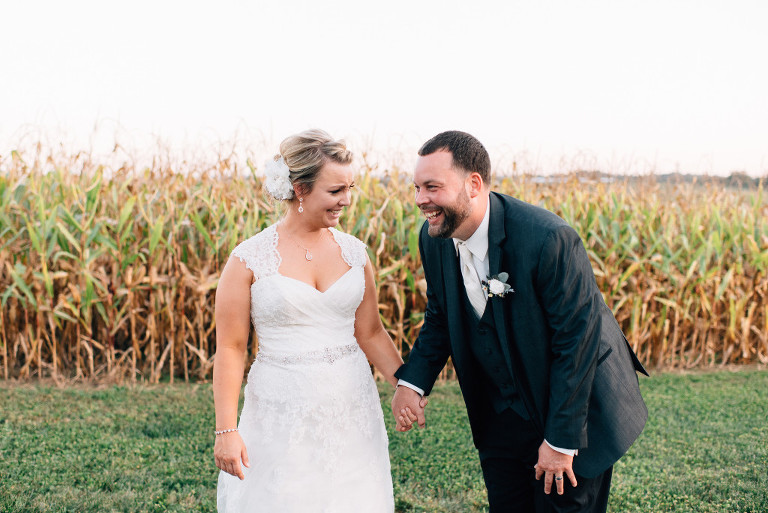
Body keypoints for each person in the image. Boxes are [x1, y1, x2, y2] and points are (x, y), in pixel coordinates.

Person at [391, 131, 648, 512]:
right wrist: (411, 382)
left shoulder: (548, 239)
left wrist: (561, 442)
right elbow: (440, 316)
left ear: (473, 184)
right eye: (416, 188)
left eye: (432, 187)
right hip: (499, 416)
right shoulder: (434, 238)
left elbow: (576, 344)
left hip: (571, 412)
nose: (420, 200)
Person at [213, 129, 402, 512]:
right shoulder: (249, 259)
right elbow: (231, 349)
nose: (346, 201)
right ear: (299, 189)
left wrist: (407, 385)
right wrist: (226, 430)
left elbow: (371, 332)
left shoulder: (354, 253)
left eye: (350, 188)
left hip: (352, 408)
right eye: (335, 191)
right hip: (280, 411)